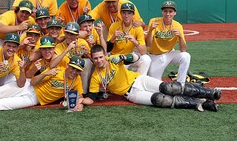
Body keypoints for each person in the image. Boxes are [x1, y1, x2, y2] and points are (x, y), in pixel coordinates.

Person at [86, 45, 220, 112]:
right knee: (162, 100)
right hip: (132, 94)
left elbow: (137, 57)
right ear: (92, 59)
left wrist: (122, 57)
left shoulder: (113, 60)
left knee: (169, 87)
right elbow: (91, 98)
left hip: (139, 80)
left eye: (100, 57)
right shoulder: (95, 77)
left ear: (105, 55)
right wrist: (80, 101)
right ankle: (200, 103)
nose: (98, 60)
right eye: (95, 58)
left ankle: (210, 92)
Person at [0, 54, 92, 111]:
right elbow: (34, 82)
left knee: (0, 106)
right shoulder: (57, 71)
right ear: (68, 66)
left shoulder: (77, 80)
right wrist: (46, 73)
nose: (74, 72)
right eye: (73, 68)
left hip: (34, 99)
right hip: (28, 88)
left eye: (78, 70)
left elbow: (81, 97)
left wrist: (81, 103)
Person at [146, 1, 191, 85]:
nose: (167, 14)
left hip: (170, 54)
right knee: (156, 84)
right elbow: (148, 44)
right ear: (162, 12)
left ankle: (181, 84)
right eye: (165, 11)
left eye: (170, 11)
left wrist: (180, 37)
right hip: (155, 56)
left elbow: (183, 49)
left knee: (186, 56)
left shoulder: (177, 25)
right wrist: (150, 30)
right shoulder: (154, 21)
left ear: (175, 13)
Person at [107, 2, 151, 74]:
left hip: (130, 57)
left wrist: (135, 41)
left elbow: (144, 52)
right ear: (120, 14)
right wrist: (113, 38)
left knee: (146, 59)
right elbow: (107, 49)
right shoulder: (114, 26)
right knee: (119, 82)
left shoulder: (137, 28)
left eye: (129, 13)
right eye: (124, 13)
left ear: (133, 14)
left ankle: (139, 82)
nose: (126, 16)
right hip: (117, 58)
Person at [49, 22, 92, 94]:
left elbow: (94, 61)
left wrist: (88, 54)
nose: (69, 36)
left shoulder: (82, 43)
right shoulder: (60, 46)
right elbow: (52, 65)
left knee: (87, 63)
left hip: (76, 71)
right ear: (64, 33)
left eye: (72, 34)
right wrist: (67, 50)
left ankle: (83, 93)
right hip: (64, 72)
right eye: (67, 33)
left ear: (77, 35)